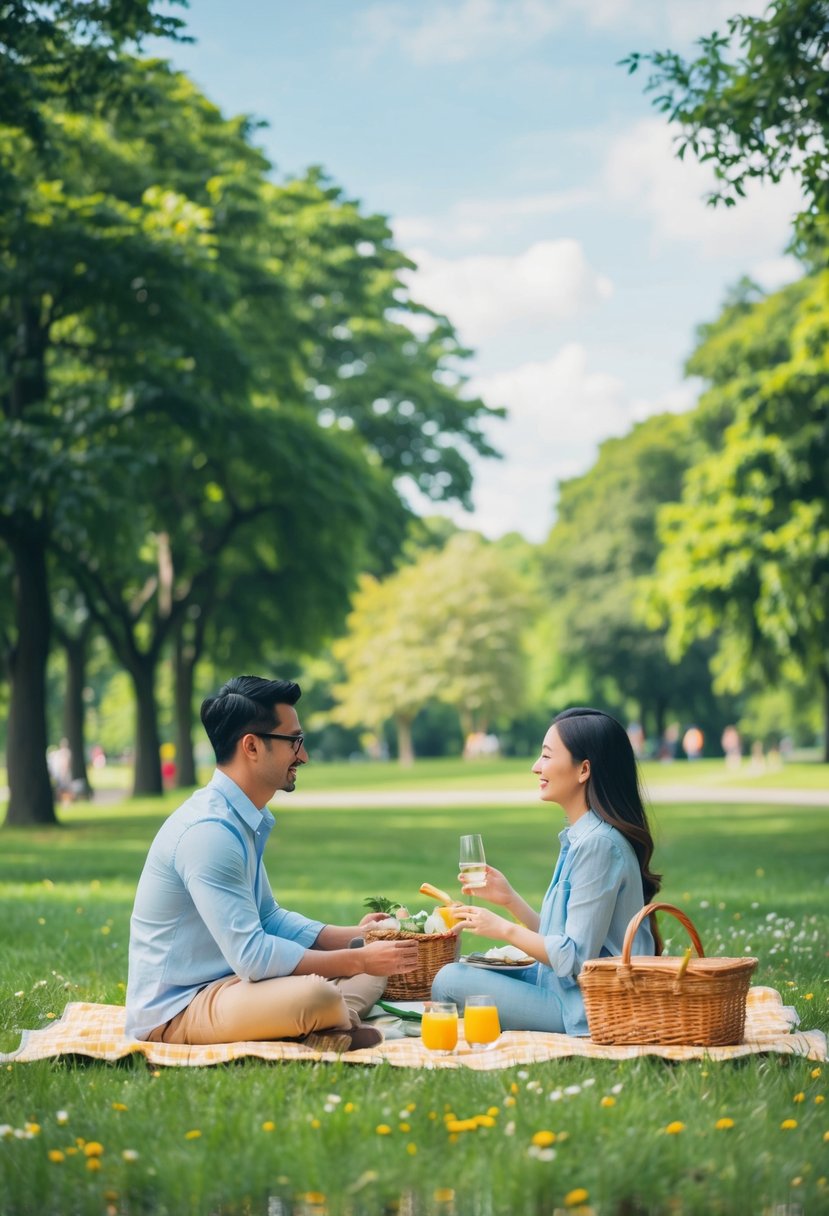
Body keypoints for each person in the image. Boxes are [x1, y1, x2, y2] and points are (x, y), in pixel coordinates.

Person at [125, 675, 418, 1051]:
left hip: (234, 986)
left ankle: (327, 1030)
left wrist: (353, 937)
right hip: (180, 1008)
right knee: (320, 994)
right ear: (251, 746)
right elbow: (253, 957)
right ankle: (330, 1021)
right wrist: (356, 959)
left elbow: (269, 918)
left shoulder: (239, 818)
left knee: (374, 970)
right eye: (294, 741)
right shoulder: (209, 832)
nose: (304, 755)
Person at [431, 707, 661, 1035]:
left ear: (583, 770)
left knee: (449, 981)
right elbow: (563, 941)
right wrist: (510, 900)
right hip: (562, 987)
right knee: (464, 968)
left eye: (547, 756)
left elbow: (572, 959)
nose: (535, 767)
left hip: (585, 1007)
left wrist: (502, 929)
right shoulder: (584, 836)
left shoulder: (598, 845)